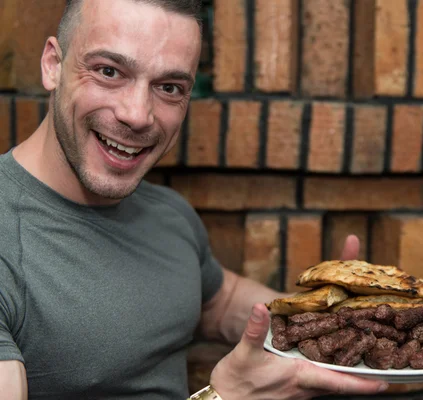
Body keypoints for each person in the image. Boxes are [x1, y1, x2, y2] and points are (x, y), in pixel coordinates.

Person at [0, 0, 389, 399]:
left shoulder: (168, 213)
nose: (137, 114)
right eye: (109, 71)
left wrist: (340, 317)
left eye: (169, 88)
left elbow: (218, 303)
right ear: (53, 65)